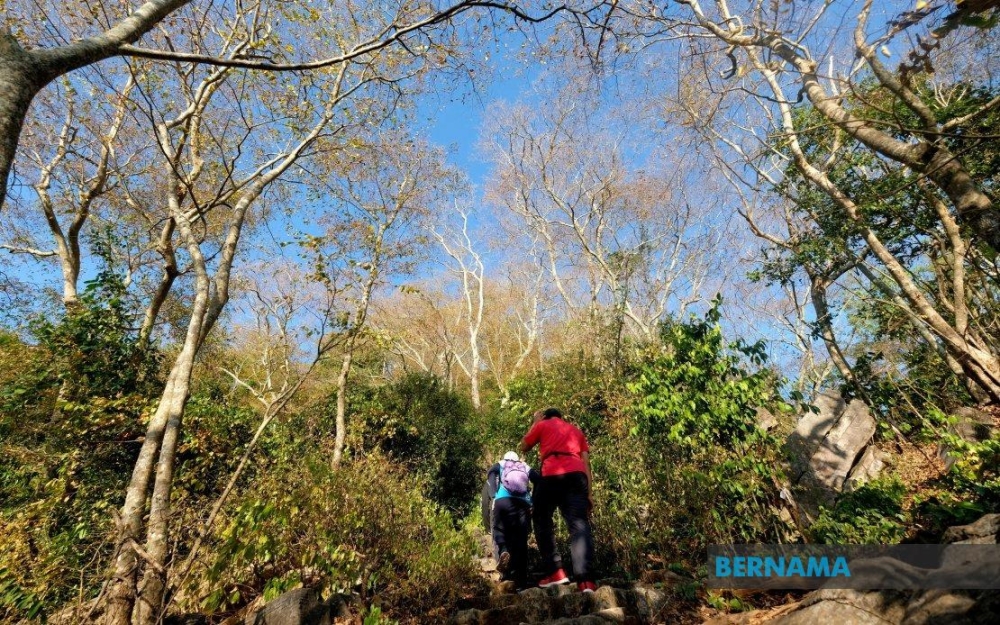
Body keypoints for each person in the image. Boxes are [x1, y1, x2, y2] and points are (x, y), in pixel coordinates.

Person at [521, 407, 597, 593]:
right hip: (577, 476)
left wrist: (535, 422)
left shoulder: (543, 425)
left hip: (552, 474)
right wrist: (589, 493)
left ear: (546, 417)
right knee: (579, 524)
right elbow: (586, 463)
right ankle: (585, 581)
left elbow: (524, 446)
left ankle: (556, 572)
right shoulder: (576, 431)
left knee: (541, 517)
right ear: (561, 418)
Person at [482, 451, 535, 589]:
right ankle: (521, 581)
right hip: (522, 504)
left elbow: (491, 473)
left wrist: (493, 495)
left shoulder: (501, 464)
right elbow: (538, 479)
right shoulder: (524, 466)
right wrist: (533, 501)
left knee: (499, 530)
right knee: (521, 541)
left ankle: (503, 550)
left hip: (502, 501)